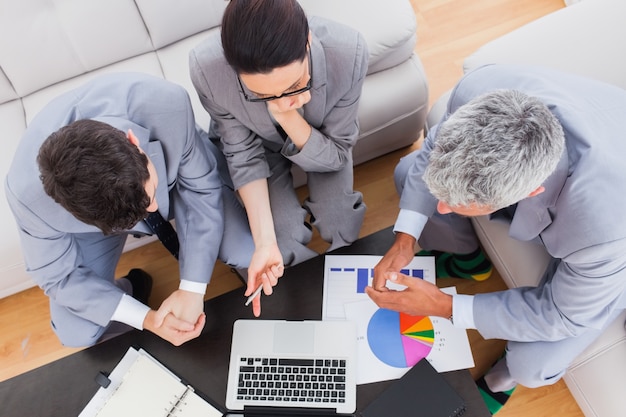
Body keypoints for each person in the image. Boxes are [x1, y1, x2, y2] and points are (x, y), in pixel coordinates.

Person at [366, 64, 626, 414]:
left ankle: (501, 378)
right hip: (591, 140)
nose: (443, 209)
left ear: (530, 191)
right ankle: (469, 262)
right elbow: (430, 154)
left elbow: (561, 315)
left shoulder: (602, 232)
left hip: (610, 241)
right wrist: (405, 238)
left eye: (459, 203)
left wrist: (444, 307)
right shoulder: (480, 88)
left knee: (531, 364)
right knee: (406, 174)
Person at [5, 72, 254, 348]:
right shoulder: (26, 195)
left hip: (182, 185)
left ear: (134, 141)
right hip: (101, 224)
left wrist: (193, 289)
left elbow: (201, 191)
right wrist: (146, 318)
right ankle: (131, 290)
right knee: (74, 332)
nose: (155, 209)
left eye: (150, 197)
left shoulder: (167, 104)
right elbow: (58, 276)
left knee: (245, 251)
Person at [189, 0, 368, 316]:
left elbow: (336, 156)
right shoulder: (207, 70)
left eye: (295, 85)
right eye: (263, 94)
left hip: (320, 141)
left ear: (308, 41)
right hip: (258, 149)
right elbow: (243, 156)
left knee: (341, 221)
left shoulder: (349, 52)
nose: (283, 99)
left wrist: (287, 117)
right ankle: (317, 309)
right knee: (280, 241)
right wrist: (264, 243)